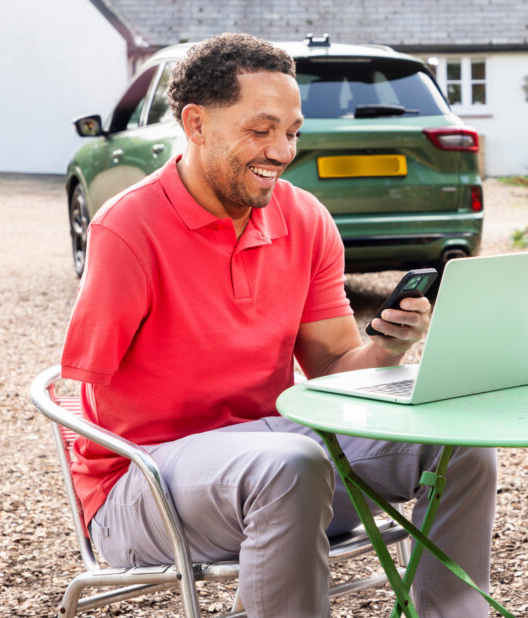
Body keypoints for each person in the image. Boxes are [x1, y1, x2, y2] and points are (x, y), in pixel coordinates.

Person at [60, 33, 495, 617]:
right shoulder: (127, 230)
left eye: (292, 131)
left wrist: (388, 346)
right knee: (292, 464)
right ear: (195, 124)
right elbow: (92, 395)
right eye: (260, 130)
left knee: (459, 444)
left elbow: (336, 370)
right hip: (143, 484)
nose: (282, 151)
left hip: (281, 456)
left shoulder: (305, 218)